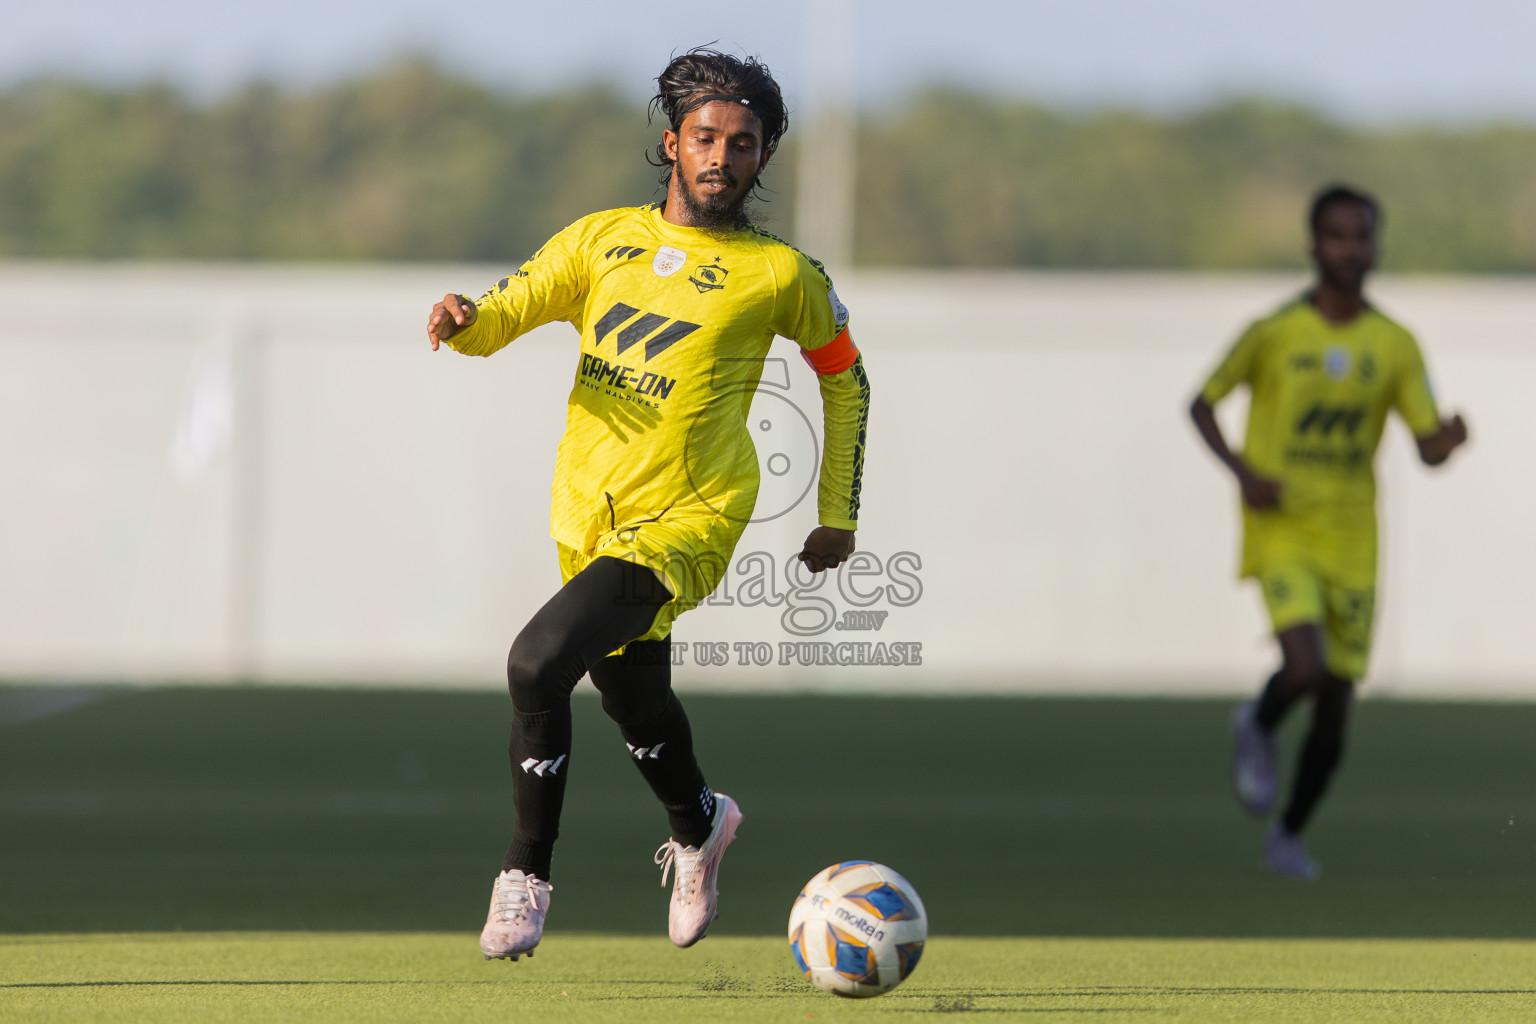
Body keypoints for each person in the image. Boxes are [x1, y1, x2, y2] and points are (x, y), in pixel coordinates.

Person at [425, 48, 870, 960]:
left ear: (761, 161)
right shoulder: (600, 240)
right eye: (705, 137)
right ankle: (701, 822)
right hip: (588, 514)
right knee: (634, 700)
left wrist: (837, 512)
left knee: (536, 663)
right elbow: (510, 309)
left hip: (692, 520)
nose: (722, 157)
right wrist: (466, 322)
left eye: (743, 144)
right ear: (672, 143)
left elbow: (847, 382)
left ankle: (527, 871)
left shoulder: (784, 276)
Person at [1189, 185, 1468, 879]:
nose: (1352, 249)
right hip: (1282, 524)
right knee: (1306, 668)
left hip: (1354, 538)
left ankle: (1287, 835)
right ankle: (1256, 722)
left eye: (1362, 236)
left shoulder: (1395, 345)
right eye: (1338, 236)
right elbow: (1202, 404)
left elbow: (1426, 447)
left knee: (1338, 706)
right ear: (1314, 247)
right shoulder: (1276, 331)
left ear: (1376, 245)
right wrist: (1242, 473)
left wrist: (1449, 440)